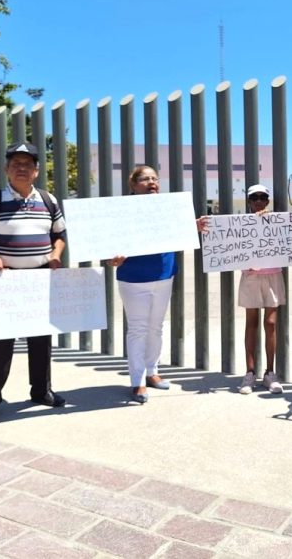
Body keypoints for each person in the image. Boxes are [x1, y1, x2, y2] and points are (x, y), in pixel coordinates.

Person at [108, 166, 207, 404]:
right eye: (145, 179)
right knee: (138, 329)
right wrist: (113, 255)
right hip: (134, 277)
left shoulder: (168, 208)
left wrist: (194, 225)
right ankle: (138, 382)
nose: (152, 182)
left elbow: (178, 231)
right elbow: (109, 241)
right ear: (133, 185)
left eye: (154, 178)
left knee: (156, 327)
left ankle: (152, 372)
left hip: (164, 274)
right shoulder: (121, 211)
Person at [0, 142, 67, 425]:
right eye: (16, 164)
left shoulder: (48, 200)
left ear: (36, 171)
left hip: (39, 280)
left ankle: (41, 391)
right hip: (4, 281)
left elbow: (60, 234)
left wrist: (56, 255)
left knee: (41, 340)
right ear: (7, 169)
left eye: (27, 164)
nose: (22, 168)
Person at [237, 184, 285, 395]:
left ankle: (269, 373)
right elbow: (231, 250)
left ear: (268, 201)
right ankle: (249, 373)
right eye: (253, 197)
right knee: (251, 323)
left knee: (271, 324)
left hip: (273, 275)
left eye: (262, 197)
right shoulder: (239, 223)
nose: (258, 200)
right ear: (248, 202)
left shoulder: (277, 221)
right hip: (250, 277)